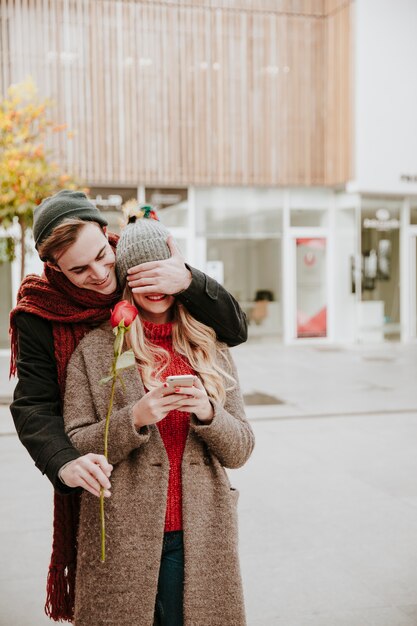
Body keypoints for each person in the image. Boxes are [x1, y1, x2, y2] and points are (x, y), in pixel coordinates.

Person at [9, 190, 248, 620]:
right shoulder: (44, 315)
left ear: (108, 235)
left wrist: (189, 280)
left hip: (196, 522)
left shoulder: (143, 264)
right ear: (54, 267)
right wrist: (67, 462)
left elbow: (232, 327)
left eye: (103, 256)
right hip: (119, 517)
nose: (102, 274)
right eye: (79, 269)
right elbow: (34, 406)